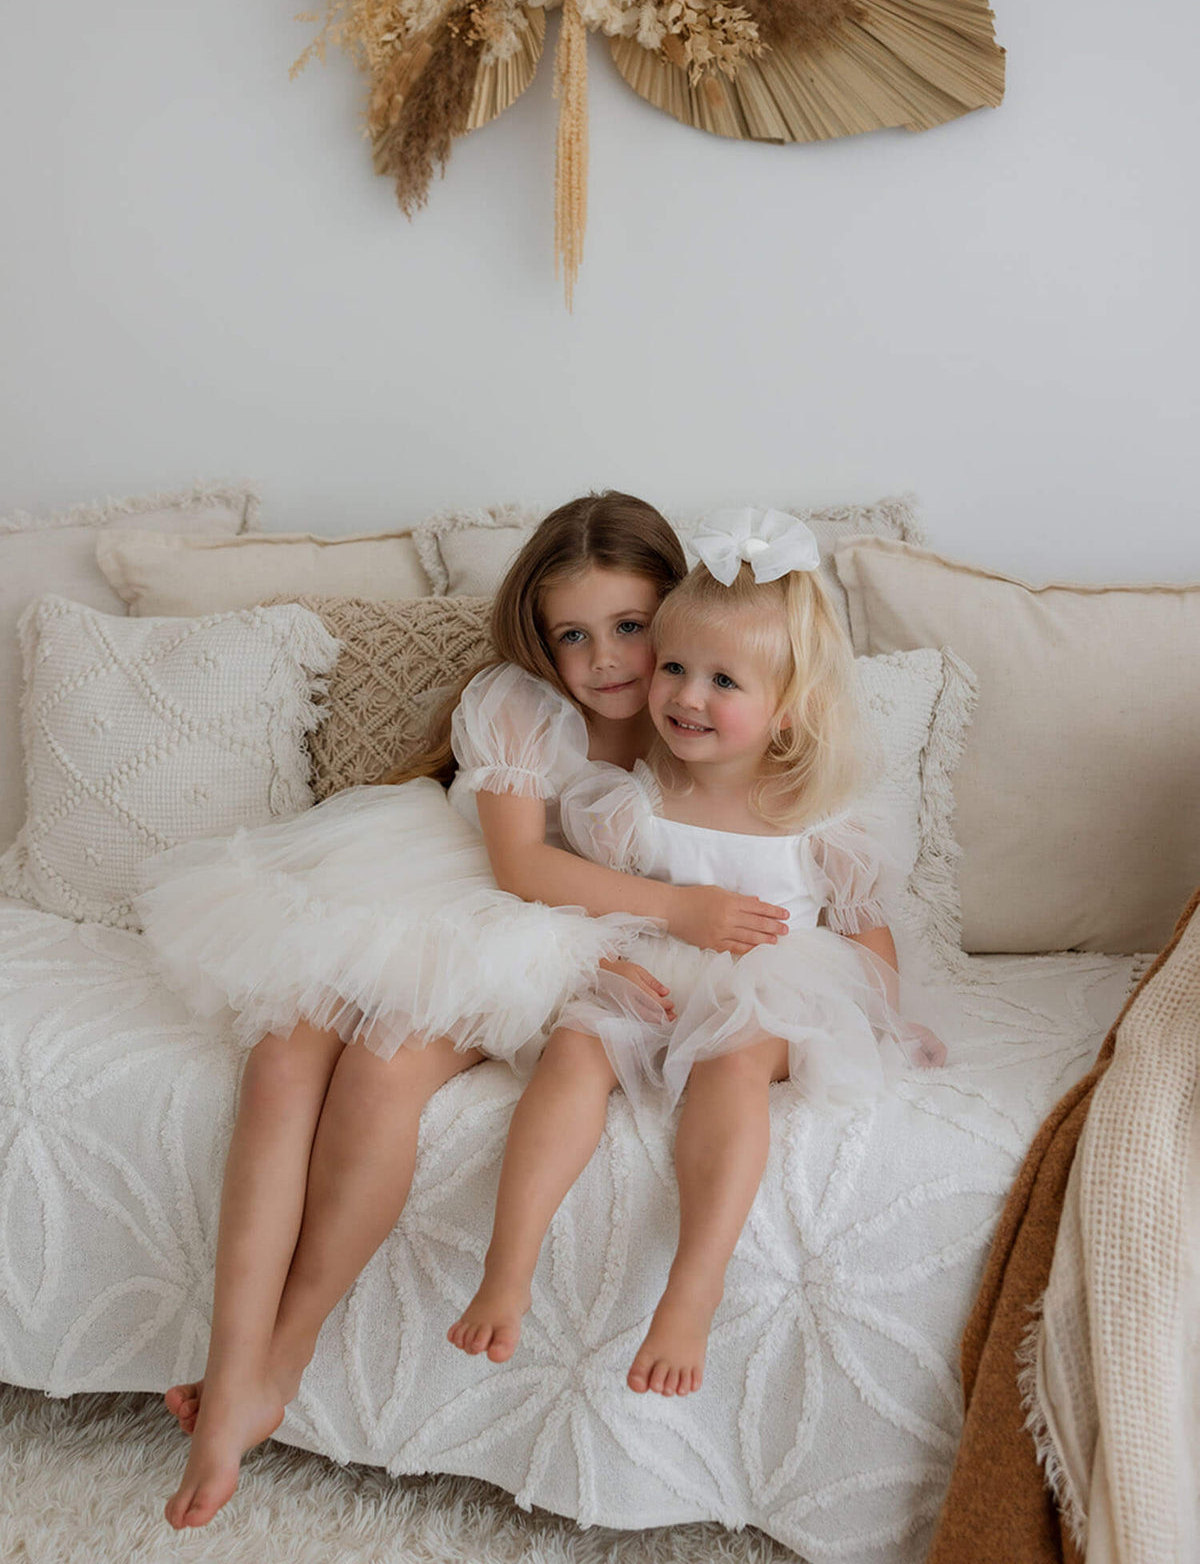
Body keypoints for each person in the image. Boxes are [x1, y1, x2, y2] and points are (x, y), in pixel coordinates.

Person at [140, 491, 791, 1530]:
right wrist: (679, 911)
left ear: (677, 613)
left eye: (631, 627)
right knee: (278, 1063)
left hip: (555, 928)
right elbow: (519, 864)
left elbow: (762, 856)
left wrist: (651, 937)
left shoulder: (703, 713)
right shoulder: (516, 704)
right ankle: (232, 1362)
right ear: (537, 639)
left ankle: (283, 1353)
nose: (607, 660)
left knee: (383, 1068)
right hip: (450, 888)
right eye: (571, 635)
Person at [448, 507, 946, 1399]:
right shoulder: (627, 798)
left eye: (724, 681)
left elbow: (864, 926)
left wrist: (887, 1021)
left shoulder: (818, 814)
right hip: (663, 965)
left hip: (775, 983)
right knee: (574, 1048)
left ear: (787, 706)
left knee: (732, 1065)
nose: (685, 696)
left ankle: (692, 1288)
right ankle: (507, 1266)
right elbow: (596, 896)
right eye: (673, 668)